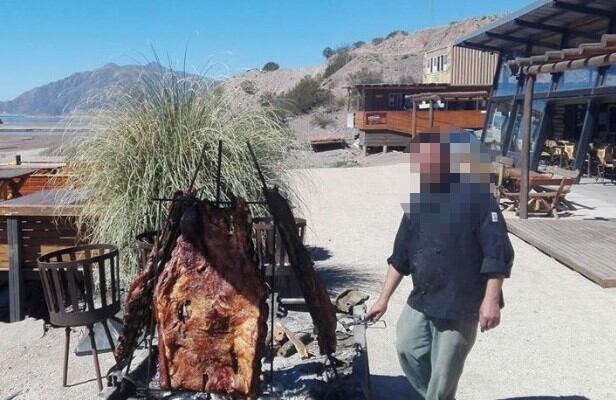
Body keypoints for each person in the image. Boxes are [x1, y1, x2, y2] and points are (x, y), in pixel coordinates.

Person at [367, 131, 514, 400]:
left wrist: (490, 301)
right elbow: (400, 256)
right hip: (423, 297)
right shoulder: (419, 201)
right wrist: (382, 299)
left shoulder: (479, 197)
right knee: (407, 348)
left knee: (444, 372)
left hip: (461, 301)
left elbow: (498, 253)